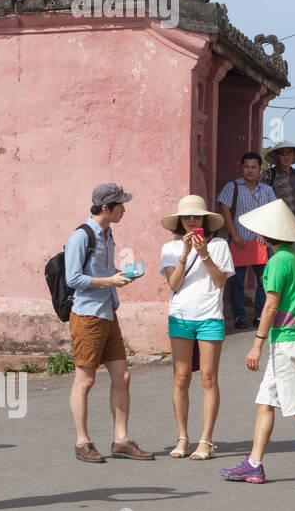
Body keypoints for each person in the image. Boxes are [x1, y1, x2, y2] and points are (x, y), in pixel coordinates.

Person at [221, 199, 295, 487]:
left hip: (287, 342)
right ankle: (254, 464)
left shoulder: (278, 262)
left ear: (265, 235)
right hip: (294, 338)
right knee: (265, 401)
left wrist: (257, 343)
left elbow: (270, 306)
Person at [66, 183, 154, 463]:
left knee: (122, 376)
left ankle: (121, 440)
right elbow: (73, 279)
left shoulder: (108, 233)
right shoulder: (82, 236)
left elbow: (102, 272)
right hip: (87, 316)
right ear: (106, 208)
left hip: (107, 312)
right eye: (120, 205)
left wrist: (121, 275)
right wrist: (110, 281)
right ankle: (82, 442)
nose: (124, 210)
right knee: (85, 380)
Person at [159, 196, 233, 460]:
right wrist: (184, 255)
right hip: (180, 317)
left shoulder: (220, 245)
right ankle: (182, 437)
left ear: (205, 220)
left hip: (210, 316)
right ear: (179, 221)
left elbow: (220, 281)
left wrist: (204, 255)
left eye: (197, 217)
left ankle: (206, 439)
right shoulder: (169, 248)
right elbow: (174, 285)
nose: (192, 221)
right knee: (181, 378)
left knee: (208, 378)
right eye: (187, 217)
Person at [216, 152, 277, 329]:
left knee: (264, 281)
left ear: (260, 169)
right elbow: (224, 209)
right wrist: (234, 235)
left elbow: (273, 212)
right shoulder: (232, 186)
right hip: (239, 242)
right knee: (236, 281)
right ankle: (239, 316)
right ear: (241, 167)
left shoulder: (267, 190)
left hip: (260, 243)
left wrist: (264, 234)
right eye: (246, 167)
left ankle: (259, 316)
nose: (249, 171)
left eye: (253, 167)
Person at [261, 141, 295, 227]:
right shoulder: (269, 174)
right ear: (277, 156)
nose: (286, 157)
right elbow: (257, 197)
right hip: (275, 224)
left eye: (290, 153)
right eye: (282, 153)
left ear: (293, 156)